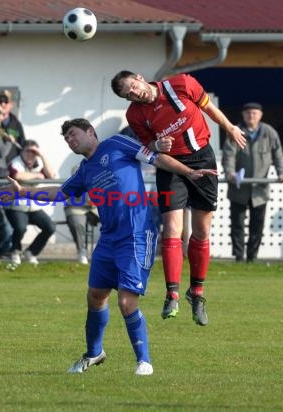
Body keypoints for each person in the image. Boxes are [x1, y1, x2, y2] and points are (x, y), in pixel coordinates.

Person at [0, 118, 216, 375]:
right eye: (66, 138)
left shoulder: (116, 143)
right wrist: (23, 191)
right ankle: (94, 353)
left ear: (90, 131)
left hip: (136, 234)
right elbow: (60, 193)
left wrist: (188, 172)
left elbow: (155, 158)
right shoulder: (84, 169)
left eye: (73, 134)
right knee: (95, 296)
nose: (70, 140)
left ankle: (144, 362)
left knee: (126, 301)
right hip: (108, 239)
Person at [111, 70, 247, 326]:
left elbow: (208, 107)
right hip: (170, 168)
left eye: (132, 87)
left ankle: (196, 292)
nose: (134, 94)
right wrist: (155, 146)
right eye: (127, 95)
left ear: (140, 78)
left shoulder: (182, 84)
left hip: (203, 159)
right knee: (173, 229)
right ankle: (171, 292)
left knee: (201, 231)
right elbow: (146, 147)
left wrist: (229, 127)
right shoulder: (134, 114)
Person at [222, 102, 283, 263]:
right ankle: (239, 257)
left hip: (260, 190)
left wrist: (282, 173)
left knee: (257, 226)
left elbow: (278, 155)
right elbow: (228, 154)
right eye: (248, 113)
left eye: (254, 113)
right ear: (243, 115)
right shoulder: (236, 131)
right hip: (239, 188)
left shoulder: (269, 132)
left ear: (260, 115)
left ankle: (252, 258)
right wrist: (230, 172)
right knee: (237, 224)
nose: (251, 116)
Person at [6, 140, 56, 265]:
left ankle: (31, 252)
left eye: (34, 152)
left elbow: (51, 175)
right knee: (20, 228)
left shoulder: (39, 162)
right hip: (17, 206)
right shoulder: (15, 162)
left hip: (34, 206)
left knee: (50, 227)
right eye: (27, 151)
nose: (30, 154)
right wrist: (37, 175)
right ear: (22, 151)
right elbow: (17, 176)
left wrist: (42, 155)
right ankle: (15, 252)